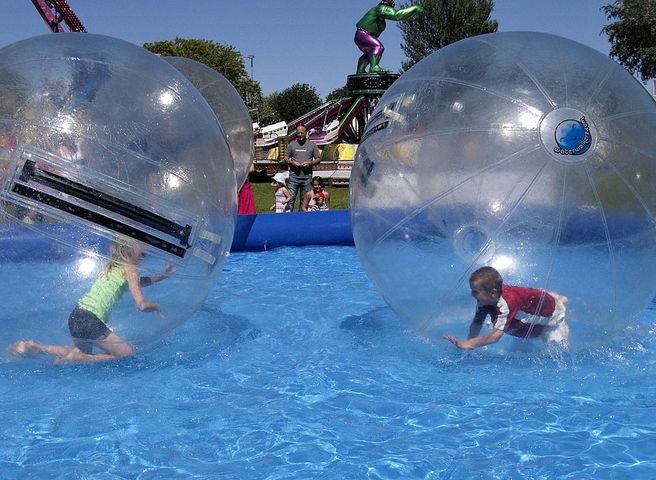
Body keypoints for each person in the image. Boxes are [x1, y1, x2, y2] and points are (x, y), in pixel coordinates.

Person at [9, 240, 173, 363]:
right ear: (130, 249)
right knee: (126, 355)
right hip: (90, 319)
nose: (146, 249)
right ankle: (76, 357)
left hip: (76, 315)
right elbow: (141, 305)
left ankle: (38, 347)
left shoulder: (113, 266)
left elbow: (142, 281)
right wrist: (157, 307)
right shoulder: (130, 269)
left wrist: (164, 275)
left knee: (80, 355)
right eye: (142, 247)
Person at [443, 266, 569, 350]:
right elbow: (476, 324)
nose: (472, 295)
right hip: (534, 300)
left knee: (557, 348)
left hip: (551, 313)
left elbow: (495, 336)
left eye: (475, 291)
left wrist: (468, 344)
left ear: (492, 293)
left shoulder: (506, 304)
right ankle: (557, 297)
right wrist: (468, 344)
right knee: (524, 312)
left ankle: (561, 313)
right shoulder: (484, 300)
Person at [354, 0, 424, 74]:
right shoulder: (380, 8)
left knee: (369, 54)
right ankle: (373, 67)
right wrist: (415, 8)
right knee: (378, 47)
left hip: (360, 36)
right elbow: (397, 15)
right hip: (363, 34)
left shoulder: (379, 19)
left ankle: (360, 70)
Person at [284, 125, 320, 211]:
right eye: (298, 133)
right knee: (290, 199)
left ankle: (301, 219)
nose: (300, 135)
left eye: (302, 133)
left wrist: (310, 163)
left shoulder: (312, 145)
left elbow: (318, 159)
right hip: (293, 177)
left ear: (306, 133)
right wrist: (292, 162)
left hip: (307, 177)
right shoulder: (291, 144)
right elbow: (286, 158)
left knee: (304, 201)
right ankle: (288, 218)